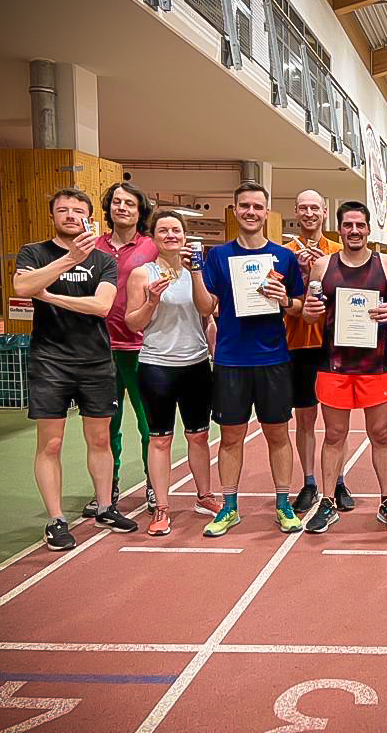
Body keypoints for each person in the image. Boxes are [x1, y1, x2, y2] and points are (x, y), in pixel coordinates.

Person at [13, 188, 138, 550]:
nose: (70, 215)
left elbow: (101, 307)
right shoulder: (34, 253)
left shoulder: (103, 260)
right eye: (63, 210)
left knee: (100, 439)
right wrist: (68, 260)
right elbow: (22, 285)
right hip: (50, 360)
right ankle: (55, 520)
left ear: (88, 217)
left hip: (96, 360)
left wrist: (50, 296)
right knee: (50, 443)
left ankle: (104, 506)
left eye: (77, 211)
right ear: (52, 215)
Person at [185, 181, 305, 536]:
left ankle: (283, 505)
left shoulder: (283, 257)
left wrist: (284, 299)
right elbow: (206, 307)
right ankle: (230, 508)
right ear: (235, 211)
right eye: (244, 206)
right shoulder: (218, 257)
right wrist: (194, 270)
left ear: (266, 212)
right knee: (231, 436)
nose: (251, 212)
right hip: (231, 360)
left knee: (278, 434)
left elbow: (298, 307)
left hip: (273, 360)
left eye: (257, 206)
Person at [301, 201, 387, 534]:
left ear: (368, 229)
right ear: (339, 228)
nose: (354, 231)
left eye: (359, 225)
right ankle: (328, 502)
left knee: (380, 435)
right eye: (347, 225)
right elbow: (309, 315)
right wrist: (309, 309)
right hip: (333, 365)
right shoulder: (322, 266)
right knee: (334, 435)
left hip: (376, 366)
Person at [125, 210, 221, 535]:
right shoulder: (142, 274)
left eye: (176, 230)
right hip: (157, 367)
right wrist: (151, 301)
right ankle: (162, 507)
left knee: (198, 436)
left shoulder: (199, 271)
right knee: (160, 440)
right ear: (153, 238)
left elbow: (207, 309)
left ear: (184, 237)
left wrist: (195, 273)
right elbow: (133, 323)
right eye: (163, 230)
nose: (170, 235)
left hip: (195, 365)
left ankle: (204, 496)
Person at [81, 182, 157, 517]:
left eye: (129, 203)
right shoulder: (91, 247)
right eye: (115, 202)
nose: (121, 207)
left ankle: (154, 485)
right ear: (108, 208)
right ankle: (106, 489)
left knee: (148, 424)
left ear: (140, 211)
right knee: (105, 427)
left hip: (142, 348)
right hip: (99, 349)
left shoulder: (152, 248)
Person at [283, 190, 345, 514]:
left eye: (315, 208)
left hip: (333, 345)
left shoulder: (337, 252)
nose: (309, 213)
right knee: (305, 419)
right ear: (296, 211)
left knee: (336, 423)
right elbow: (277, 302)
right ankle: (309, 482)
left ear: (324, 211)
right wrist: (300, 274)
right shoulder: (282, 255)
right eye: (303, 207)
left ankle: (337, 482)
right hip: (297, 345)